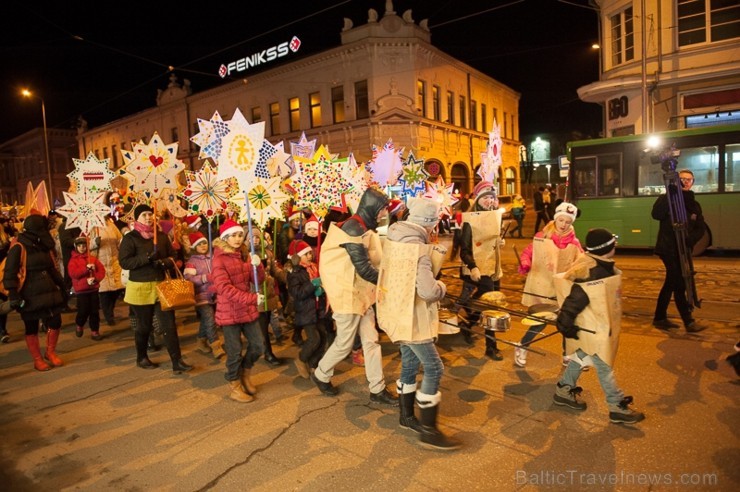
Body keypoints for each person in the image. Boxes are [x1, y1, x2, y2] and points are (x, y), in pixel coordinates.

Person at [379, 197, 462, 450]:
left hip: (394, 311)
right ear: (431, 224)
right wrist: (442, 288)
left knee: (410, 361)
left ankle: (406, 417)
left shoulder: (394, 238)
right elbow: (427, 290)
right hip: (412, 318)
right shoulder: (418, 250)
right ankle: (429, 430)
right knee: (434, 368)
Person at [312, 187, 398, 406]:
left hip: (360, 294)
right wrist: (393, 282)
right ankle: (321, 374)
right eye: (381, 210)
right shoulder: (352, 228)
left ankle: (377, 389)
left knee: (371, 341)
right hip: (346, 294)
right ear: (372, 208)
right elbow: (363, 268)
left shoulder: (363, 227)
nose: (383, 214)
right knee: (344, 343)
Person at [552, 228, 645, 425]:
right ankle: (616, 405)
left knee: (581, 357)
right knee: (604, 366)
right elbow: (575, 299)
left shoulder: (603, 266)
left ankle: (563, 389)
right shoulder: (593, 271)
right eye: (614, 242)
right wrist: (565, 323)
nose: (616, 245)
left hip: (596, 327)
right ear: (607, 248)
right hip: (593, 329)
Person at [119, 204, 193, 374]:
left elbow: (174, 257)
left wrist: (163, 262)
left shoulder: (161, 236)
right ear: (136, 218)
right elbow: (125, 262)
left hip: (162, 286)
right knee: (144, 326)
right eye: (144, 214)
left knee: (169, 325)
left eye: (150, 214)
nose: (148, 217)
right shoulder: (131, 238)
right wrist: (146, 258)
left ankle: (177, 360)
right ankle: (142, 357)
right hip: (140, 287)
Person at [516, 202, 583, 367]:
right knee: (540, 321)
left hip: (562, 289)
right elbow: (528, 252)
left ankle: (567, 354)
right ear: (555, 219)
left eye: (568, 222)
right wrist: (525, 263)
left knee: (566, 321)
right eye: (561, 220)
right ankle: (522, 345)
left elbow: (581, 262)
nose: (564, 225)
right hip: (543, 288)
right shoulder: (542, 236)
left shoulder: (574, 242)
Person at [4, 213, 68, 371]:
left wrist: (62, 285)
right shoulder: (18, 247)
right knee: (31, 326)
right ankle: (37, 359)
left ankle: (50, 352)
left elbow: (51, 268)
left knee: (55, 321)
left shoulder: (43, 245)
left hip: (48, 290)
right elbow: (10, 273)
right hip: (29, 293)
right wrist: (13, 294)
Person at [211, 219, 266, 403]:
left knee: (258, 345)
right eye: (233, 235)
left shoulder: (245, 254)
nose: (237, 238)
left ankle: (245, 373)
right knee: (234, 352)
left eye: (239, 235)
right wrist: (252, 298)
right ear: (225, 237)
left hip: (246, 310)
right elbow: (224, 288)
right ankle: (234, 385)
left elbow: (259, 280)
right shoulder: (219, 259)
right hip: (230, 312)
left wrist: (258, 265)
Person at [651, 168, 707, 333]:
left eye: (689, 179)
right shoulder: (667, 198)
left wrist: (692, 239)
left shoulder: (694, 203)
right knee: (679, 281)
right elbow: (656, 214)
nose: (686, 182)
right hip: (668, 248)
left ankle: (659, 317)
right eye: (682, 179)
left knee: (671, 282)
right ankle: (688, 321)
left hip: (683, 248)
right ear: (676, 181)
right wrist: (670, 195)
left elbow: (701, 227)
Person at [457, 181, 505, 360]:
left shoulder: (494, 218)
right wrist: (473, 266)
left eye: (492, 198)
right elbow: (465, 249)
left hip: (493, 268)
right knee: (490, 305)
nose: (489, 201)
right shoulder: (470, 220)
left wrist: (499, 243)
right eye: (485, 198)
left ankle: (468, 324)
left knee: (492, 303)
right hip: (478, 268)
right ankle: (491, 347)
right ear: (478, 199)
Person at [287, 239, 327, 379]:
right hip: (306, 311)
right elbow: (297, 293)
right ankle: (301, 359)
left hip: (318, 310)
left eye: (310, 253)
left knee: (323, 338)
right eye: (306, 254)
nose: (310, 256)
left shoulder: (315, 267)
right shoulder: (295, 273)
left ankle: (313, 363)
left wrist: (321, 289)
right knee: (314, 339)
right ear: (297, 257)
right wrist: (312, 284)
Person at [183, 232, 225, 360]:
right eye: (199, 244)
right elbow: (189, 278)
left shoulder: (213, 258)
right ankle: (216, 346)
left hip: (215, 293)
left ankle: (201, 341)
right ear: (194, 246)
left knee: (208, 320)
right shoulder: (192, 262)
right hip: (201, 295)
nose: (203, 246)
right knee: (210, 320)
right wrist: (204, 278)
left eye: (205, 243)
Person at [249, 225, 285, 367]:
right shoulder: (247, 256)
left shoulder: (267, 253)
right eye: (252, 237)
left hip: (269, 292)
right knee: (262, 324)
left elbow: (275, 270)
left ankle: (263, 348)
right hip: (256, 293)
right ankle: (267, 352)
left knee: (268, 319)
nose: (255, 240)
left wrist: (285, 276)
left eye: (257, 236)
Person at [89, 213, 125, 326]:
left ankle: (110, 310)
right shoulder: (92, 226)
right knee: (104, 292)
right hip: (101, 262)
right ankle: (108, 315)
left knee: (116, 290)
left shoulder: (111, 224)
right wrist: (94, 242)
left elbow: (119, 239)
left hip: (114, 261)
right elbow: (86, 245)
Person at [68, 237, 106, 340]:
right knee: (83, 310)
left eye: (84, 246)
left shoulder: (92, 258)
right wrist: (86, 269)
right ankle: (79, 324)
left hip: (93, 289)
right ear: (76, 247)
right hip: (81, 291)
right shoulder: (73, 260)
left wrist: (96, 279)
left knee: (94, 311)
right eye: (79, 246)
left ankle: (95, 331)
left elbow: (101, 270)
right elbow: (73, 274)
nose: (82, 248)